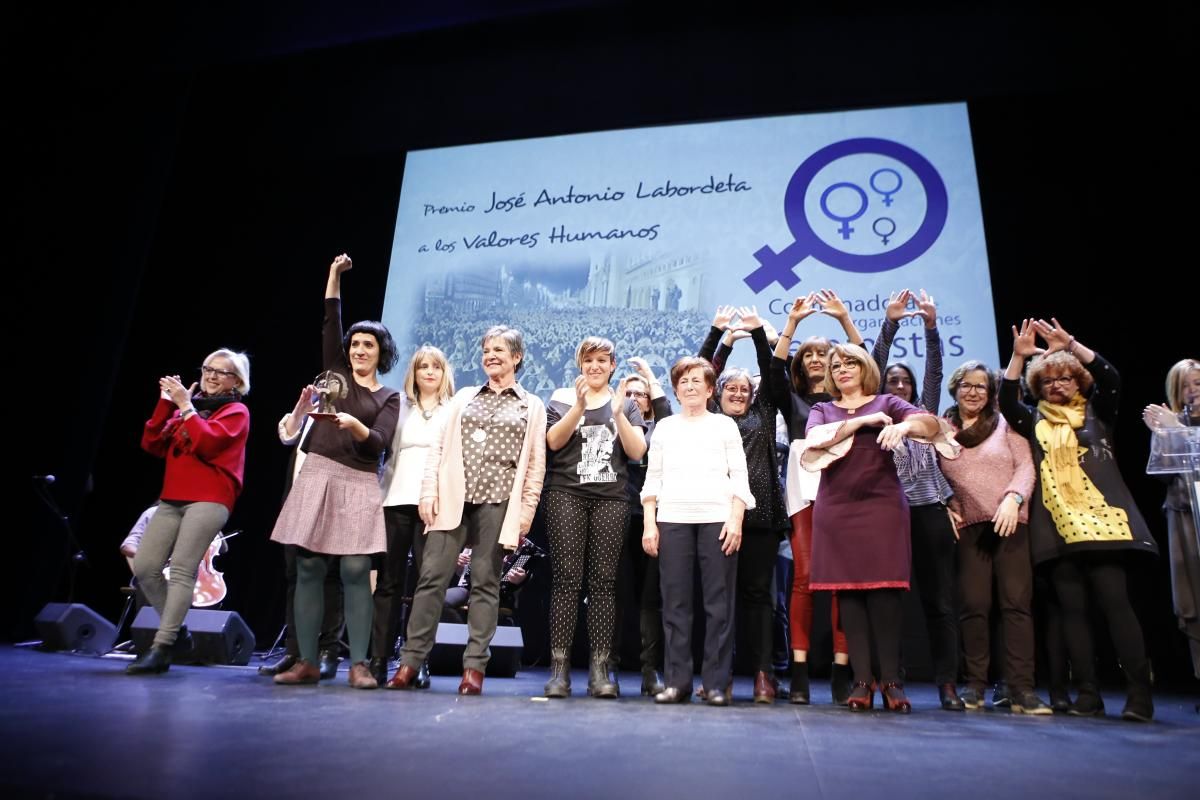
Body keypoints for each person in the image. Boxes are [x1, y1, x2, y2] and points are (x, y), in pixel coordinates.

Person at [1000, 318, 1158, 721]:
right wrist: (1019, 358)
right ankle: (1088, 693)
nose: (1057, 385)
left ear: (1078, 381)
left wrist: (1070, 343)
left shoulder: (1099, 413)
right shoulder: (1034, 421)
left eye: (1066, 378)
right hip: (1057, 525)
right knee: (1072, 612)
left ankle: (1139, 694)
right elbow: (1005, 402)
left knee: (1116, 605)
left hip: (1104, 523)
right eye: (1049, 381)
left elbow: (1112, 376)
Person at [388, 325, 546, 695]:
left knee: (485, 583)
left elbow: (536, 465)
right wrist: (428, 493)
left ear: (516, 357)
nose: (491, 356)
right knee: (431, 579)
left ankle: (474, 668)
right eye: (487, 350)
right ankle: (411, 661)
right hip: (452, 499)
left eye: (499, 350)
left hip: (499, 501)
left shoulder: (531, 405)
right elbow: (439, 450)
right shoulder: (463, 397)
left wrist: (525, 512)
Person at [270, 254, 401, 689]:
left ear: (382, 353)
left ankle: (359, 664)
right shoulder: (334, 376)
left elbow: (379, 443)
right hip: (319, 474)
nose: (360, 350)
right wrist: (333, 275)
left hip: (359, 482)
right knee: (307, 567)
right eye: (356, 344)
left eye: (370, 345)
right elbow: (331, 318)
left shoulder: (389, 396)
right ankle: (306, 660)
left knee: (353, 570)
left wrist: (356, 425)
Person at [799, 343, 944, 712]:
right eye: (836, 365)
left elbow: (931, 424)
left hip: (882, 506)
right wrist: (862, 421)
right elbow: (815, 439)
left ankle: (892, 681)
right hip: (837, 507)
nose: (842, 369)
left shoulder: (887, 403)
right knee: (849, 596)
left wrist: (906, 425)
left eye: (849, 363)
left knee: (885, 595)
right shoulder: (823, 409)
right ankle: (862, 682)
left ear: (865, 367)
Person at [126, 348, 251, 674]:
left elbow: (208, 444)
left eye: (220, 372)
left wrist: (184, 406)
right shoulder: (189, 410)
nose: (210, 375)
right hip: (172, 498)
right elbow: (152, 443)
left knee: (182, 569)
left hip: (210, 499)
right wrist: (168, 403)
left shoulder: (236, 412)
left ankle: (162, 646)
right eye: (207, 368)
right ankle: (179, 632)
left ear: (236, 380)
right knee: (146, 566)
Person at [872, 289, 966, 711]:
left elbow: (935, 369)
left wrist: (929, 326)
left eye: (903, 381)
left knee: (940, 600)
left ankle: (947, 683)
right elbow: (871, 368)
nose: (898, 385)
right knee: (889, 600)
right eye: (891, 382)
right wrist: (889, 324)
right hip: (888, 513)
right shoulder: (870, 418)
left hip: (929, 512)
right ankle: (893, 680)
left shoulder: (923, 412)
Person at [940, 360, 1051, 714]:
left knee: (1016, 605)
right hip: (970, 527)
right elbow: (929, 473)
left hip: (1009, 522)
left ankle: (1022, 689)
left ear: (991, 393)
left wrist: (1014, 499)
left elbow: (1025, 466)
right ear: (955, 389)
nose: (973, 392)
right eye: (967, 385)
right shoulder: (942, 429)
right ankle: (974, 686)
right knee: (974, 606)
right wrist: (944, 503)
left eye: (981, 387)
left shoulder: (1006, 424)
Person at [641, 356, 754, 706]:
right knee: (675, 605)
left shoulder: (724, 426)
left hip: (717, 518)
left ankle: (716, 685)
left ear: (709, 389)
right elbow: (653, 478)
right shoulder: (666, 427)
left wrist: (735, 519)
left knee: (718, 605)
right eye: (683, 381)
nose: (689, 386)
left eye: (696, 381)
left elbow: (739, 475)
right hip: (672, 518)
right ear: (675, 390)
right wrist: (650, 523)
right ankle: (677, 683)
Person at [542, 336, 646, 698]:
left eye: (603, 360)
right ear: (580, 364)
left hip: (612, 499)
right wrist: (580, 405)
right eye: (589, 360)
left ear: (613, 365)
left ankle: (601, 670)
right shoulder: (560, 396)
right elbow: (553, 443)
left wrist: (617, 412)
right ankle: (560, 670)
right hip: (565, 495)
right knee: (567, 582)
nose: (595, 366)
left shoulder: (626, 404)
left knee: (603, 584)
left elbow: (636, 452)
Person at [771, 291, 859, 704]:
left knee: (843, 581)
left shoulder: (850, 400)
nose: (817, 358)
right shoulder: (792, 402)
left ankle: (842, 669)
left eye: (825, 353)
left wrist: (844, 319)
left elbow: (865, 363)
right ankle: (801, 673)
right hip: (803, 492)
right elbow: (771, 373)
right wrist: (791, 326)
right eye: (808, 353)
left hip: (844, 491)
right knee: (804, 580)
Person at [699, 305, 790, 703]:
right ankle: (719, 676)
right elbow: (698, 373)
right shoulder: (709, 416)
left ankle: (762, 676)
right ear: (718, 394)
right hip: (714, 518)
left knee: (758, 599)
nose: (737, 393)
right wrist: (718, 334)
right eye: (729, 388)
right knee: (719, 601)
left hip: (760, 520)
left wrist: (756, 335)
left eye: (744, 390)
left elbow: (771, 375)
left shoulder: (764, 413)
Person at [369, 346, 456, 686]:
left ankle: (416, 659)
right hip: (394, 499)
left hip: (433, 505)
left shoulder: (454, 410)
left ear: (444, 372)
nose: (430, 373)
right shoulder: (398, 405)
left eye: (436, 366)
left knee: (427, 585)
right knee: (388, 583)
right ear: (414, 373)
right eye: (423, 367)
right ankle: (378, 658)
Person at [259, 390, 343, 681]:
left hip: (334, 499)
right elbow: (287, 435)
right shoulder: (311, 407)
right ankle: (294, 651)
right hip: (297, 499)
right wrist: (301, 410)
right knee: (296, 576)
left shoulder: (351, 407)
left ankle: (327, 651)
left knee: (330, 577)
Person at [616, 358, 673, 695]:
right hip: (618, 513)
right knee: (615, 595)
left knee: (653, 598)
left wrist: (652, 377)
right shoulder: (615, 423)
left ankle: (650, 671)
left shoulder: (664, 427)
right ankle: (608, 666)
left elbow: (667, 412)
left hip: (656, 518)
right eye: (630, 393)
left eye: (642, 393)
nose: (636, 398)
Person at [1143, 358, 1200, 682]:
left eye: (1198, 384)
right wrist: (1162, 434)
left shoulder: (1176, 424)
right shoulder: (1172, 421)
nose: (1192, 392)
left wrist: (1175, 430)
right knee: (1192, 602)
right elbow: (1162, 473)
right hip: (1185, 519)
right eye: (1185, 386)